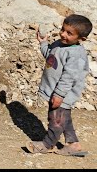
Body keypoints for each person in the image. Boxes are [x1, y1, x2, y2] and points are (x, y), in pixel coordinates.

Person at [26, 14, 93, 156]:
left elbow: (69, 77)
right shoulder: (59, 43)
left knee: (56, 119)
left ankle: (47, 144)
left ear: (81, 39)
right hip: (55, 91)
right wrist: (43, 43)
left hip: (63, 94)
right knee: (64, 118)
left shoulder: (76, 54)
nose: (63, 34)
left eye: (69, 33)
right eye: (63, 29)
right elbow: (50, 57)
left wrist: (59, 95)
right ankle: (73, 144)